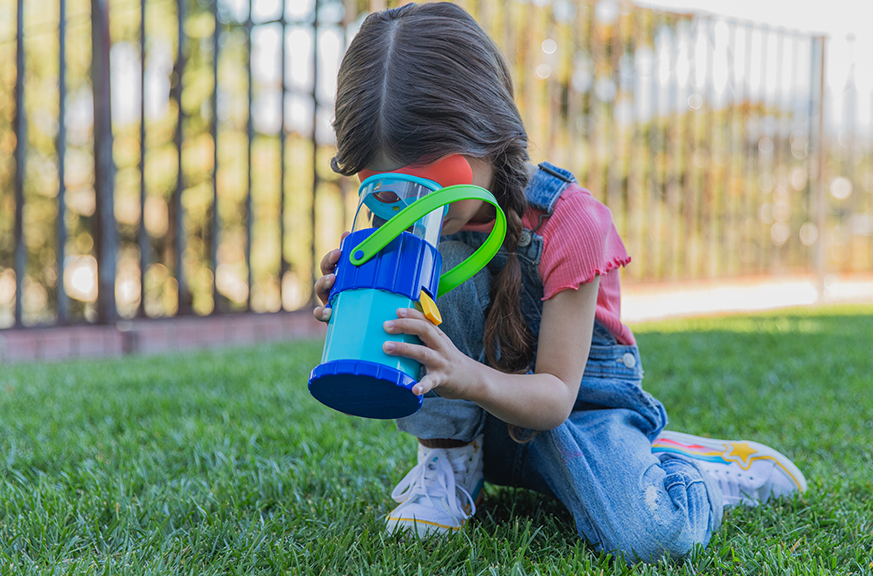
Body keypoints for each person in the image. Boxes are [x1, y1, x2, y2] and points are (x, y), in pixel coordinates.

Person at [313, 2, 806, 563]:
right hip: (482, 423)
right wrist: (363, 298)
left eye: (430, 187)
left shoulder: (571, 222)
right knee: (425, 257)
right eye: (388, 191)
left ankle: (690, 466)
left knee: (652, 538)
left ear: (488, 132)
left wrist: (466, 375)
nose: (411, 208)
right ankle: (450, 462)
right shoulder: (413, 228)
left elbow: (554, 398)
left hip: (578, 414)